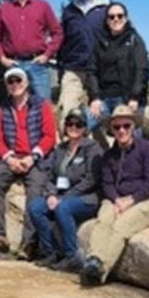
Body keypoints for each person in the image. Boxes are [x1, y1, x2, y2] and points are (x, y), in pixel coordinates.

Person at [80, 105, 149, 286]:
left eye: (126, 126)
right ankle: (93, 259)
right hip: (117, 199)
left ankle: (101, 269)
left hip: (147, 201)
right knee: (104, 219)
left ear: (133, 127)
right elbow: (107, 184)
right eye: (117, 127)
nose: (122, 130)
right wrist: (117, 201)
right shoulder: (109, 155)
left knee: (122, 226)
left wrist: (131, 201)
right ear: (112, 130)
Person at [0, 66, 56, 258]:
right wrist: (9, 158)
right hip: (13, 157)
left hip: (35, 157)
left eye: (18, 80)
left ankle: (29, 242)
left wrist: (33, 157)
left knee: (35, 191)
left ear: (26, 83)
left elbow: (49, 136)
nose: (15, 85)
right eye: (11, 82)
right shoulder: (2, 109)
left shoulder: (42, 105)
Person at [27, 109, 103, 272]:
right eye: (70, 123)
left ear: (85, 127)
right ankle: (51, 251)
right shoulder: (60, 149)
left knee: (63, 208)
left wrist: (65, 197)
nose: (73, 127)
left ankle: (71, 256)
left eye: (78, 124)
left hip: (87, 197)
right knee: (35, 207)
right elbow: (51, 176)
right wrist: (51, 194)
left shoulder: (92, 148)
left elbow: (91, 179)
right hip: (61, 194)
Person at [0, 0, 62, 101]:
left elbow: (57, 33)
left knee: (43, 106)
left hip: (38, 65)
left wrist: (47, 55)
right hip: (14, 64)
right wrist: (2, 58)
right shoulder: (3, 9)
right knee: (15, 107)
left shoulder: (43, 6)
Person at [88, 1, 149, 140]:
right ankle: (103, 156)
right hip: (104, 99)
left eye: (120, 16)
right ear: (107, 20)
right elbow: (91, 70)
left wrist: (135, 97)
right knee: (84, 122)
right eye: (111, 17)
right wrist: (95, 97)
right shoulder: (100, 42)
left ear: (126, 18)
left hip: (127, 98)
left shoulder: (135, 40)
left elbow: (141, 70)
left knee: (131, 139)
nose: (116, 19)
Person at [57, 0, 109, 130]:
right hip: (73, 70)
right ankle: (68, 152)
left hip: (100, 71)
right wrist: (61, 69)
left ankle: (98, 152)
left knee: (96, 117)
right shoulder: (69, 11)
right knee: (66, 116)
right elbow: (61, 40)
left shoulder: (107, 7)